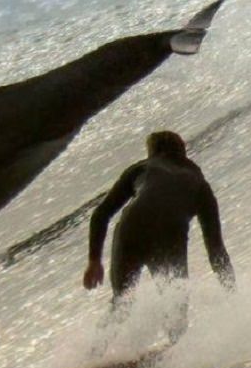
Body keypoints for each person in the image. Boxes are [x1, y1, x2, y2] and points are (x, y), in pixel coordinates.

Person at [83, 130, 235, 343]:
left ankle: (90, 360)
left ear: (152, 152)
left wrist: (94, 261)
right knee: (175, 308)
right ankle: (174, 353)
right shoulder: (201, 187)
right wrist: (232, 291)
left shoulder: (142, 168)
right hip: (169, 239)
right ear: (183, 151)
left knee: (122, 303)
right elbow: (216, 250)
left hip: (131, 232)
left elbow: (101, 214)